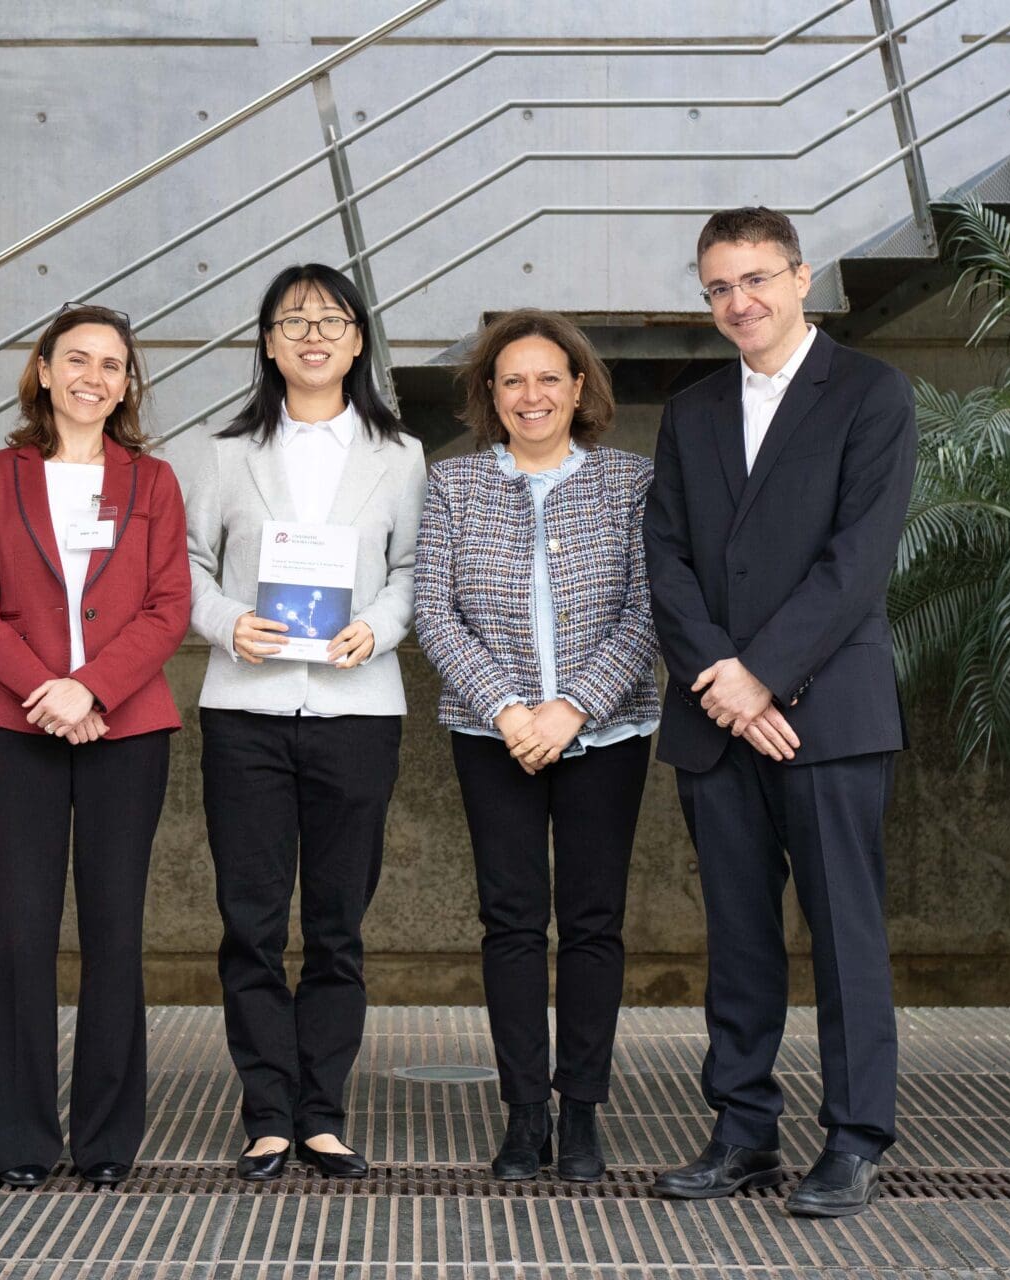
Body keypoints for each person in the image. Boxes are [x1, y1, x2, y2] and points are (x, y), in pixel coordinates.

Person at [643, 207, 917, 1216]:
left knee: (845, 930)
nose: (737, 302)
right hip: (719, 718)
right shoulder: (695, 406)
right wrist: (723, 677)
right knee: (740, 934)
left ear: (803, 278)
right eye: (718, 286)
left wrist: (762, 675)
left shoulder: (872, 392)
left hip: (829, 712)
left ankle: (854, 1135)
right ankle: (743, 1129)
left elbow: (859, 558)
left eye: (756, 279)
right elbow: (663, 555)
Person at [172, 264, 425, 1181]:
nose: (312, 335)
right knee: (249, 920)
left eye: (331, 320)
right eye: (293, 321)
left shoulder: (400, 454)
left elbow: (409, 571)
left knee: (337, 926)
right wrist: (223, 622)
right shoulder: (220, 450)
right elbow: (189, 566)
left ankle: (322, 1111)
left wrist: (380, 626)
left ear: (358, 340)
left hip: (357, 713)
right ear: (269, 344)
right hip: (246, 710)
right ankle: (266, 1112)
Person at [0, 304, 190, 1190]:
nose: (96, 376)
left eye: (114, 365)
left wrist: (93, 688)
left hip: (126, 728)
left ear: (128, 385)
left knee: (115, 931)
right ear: (43, 370)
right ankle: (18, 1138)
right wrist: (46, 691)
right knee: (19, 933)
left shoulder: (153, 481)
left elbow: (169, 607)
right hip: (20, 727)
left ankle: (105, 1142)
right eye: (78, 359)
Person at [415, 310, 657, 1183]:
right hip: (493, 737)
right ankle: (524, 1115)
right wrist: (511, 710)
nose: (532, 394)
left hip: (610, 732)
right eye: (512, 380)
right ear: (490, 394)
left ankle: (582, 1112)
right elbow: (434, 612)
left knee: (593, 924)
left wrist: (574, 709)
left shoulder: (632, 482)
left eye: (549, 377)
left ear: (579, 387)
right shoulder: (452, 486)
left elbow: (648, 610)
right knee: (512, 923)